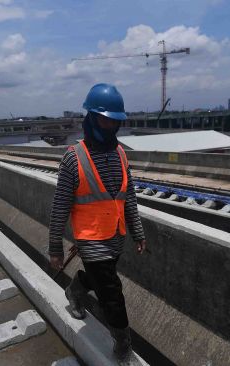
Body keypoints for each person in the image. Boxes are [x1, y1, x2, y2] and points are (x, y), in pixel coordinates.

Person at [48, 83, 147, 362]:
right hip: (90, 238)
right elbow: (59, 207)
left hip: (115, 235)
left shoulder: (120, 154)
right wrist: (55, 246)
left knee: (99, 279)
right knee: (111, 291)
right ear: (92, 117)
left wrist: (137, 231)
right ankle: (122, 339)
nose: (111, 126)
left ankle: (76, 289)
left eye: (115, 121)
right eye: (105, 119)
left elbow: (129, 197)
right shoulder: (73, 157)